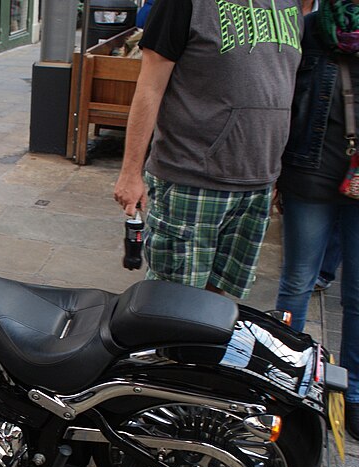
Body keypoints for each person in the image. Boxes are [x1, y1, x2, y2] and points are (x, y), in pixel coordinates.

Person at [114, 0, 313, 300]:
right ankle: (168, 349)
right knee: (173, 303)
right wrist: (131, 172)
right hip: (190, 178)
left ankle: (198, 350)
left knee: (215, 305)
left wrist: (275, 174)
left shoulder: (289, 6)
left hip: (257, 184)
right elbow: (149, 87)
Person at [274, 0, 359, 439]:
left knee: (358, 296)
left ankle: (353, 393)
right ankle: (286, 380)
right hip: (310, 175)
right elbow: (284, 101)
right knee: (296, 282)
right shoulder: (309, 30)